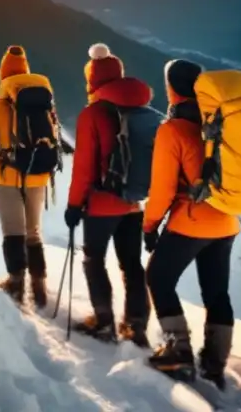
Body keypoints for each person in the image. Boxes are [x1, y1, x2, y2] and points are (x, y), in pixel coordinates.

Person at [144, 59, 239, 389]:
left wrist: (149, 225)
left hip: (191, 222)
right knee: (217, 294)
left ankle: (178, 352)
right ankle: (214, 367)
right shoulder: (222, 122)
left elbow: (163, 190)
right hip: (227, 221)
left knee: (158, 276)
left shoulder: (174, 129)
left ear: (172, 88)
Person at [64, 43, 156, 345]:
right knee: (131, 264)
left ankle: (104, 322)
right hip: (133, 202)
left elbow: (84, 169)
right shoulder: (140, 111)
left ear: (92, 79)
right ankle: (136, 325)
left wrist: (74, 205)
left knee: (93, 259)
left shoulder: (92, 114)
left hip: (102, 206)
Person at [0, 45, 59, 306]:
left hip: (7, 178)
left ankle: (16, 283)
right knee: (33, 233)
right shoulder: (46, 104)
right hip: (39, 177)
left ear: (3, 76)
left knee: (13, 233)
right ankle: (40, 288)